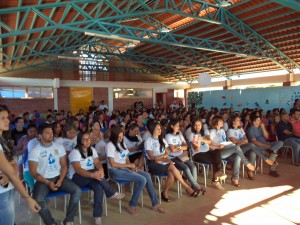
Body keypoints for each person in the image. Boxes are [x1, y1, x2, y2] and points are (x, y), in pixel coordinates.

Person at [29, 123, 81, 225]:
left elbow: (64, 166)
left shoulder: (59, 147)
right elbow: (33, 172)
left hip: (58, 177)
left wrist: (61, 179)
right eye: (47, 133)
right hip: (43, 180)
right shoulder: (35, 151)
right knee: (38, 201)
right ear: (39, 136)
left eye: (51, 132)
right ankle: (51, 223)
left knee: (77, 191)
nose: (51, 135)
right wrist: (47, 182)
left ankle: (68, 220)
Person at [106, 125, 165, 215]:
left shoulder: (122, 143)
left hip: (125, 168)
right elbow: (112, 164)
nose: (121, 139)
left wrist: (131, 167)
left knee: (147, 175)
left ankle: (155, 204)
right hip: (115, 171)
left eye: (122, 136)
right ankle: (132, 205)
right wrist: (128, 165)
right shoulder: (110, 145)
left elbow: (126, 158)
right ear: (114, 136)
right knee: (142, 179)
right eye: (119, 137)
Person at [69, 132, 125, 225]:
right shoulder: (75, 152)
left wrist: (101, 170)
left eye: (89, 139)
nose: (88, 141)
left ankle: (97, 216)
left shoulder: (92, 149)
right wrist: (93, 174)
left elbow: (97, 162)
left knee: (99, 187)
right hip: (77, 178)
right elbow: (78, 169)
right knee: (94, 173)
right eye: (85, 140)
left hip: (91, 177)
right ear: (80, 141)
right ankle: (111, 193)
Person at [0, 105, 40, 225]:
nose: (7, 120)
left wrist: (8, 174)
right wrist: (27, 198)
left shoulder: (3, 139)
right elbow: (12, 172)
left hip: (8, 188)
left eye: (7, 117)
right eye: (2, 118)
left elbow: (13, 162)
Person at [145, 121, 201, 202]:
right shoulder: (148, 141)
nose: (160, 130)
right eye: (158, 129)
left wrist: (161, 157)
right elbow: (151, 157)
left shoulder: (162, 140)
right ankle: (187, 188)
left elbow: (167, 153)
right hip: (153, 164)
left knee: (171, 174)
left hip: (163, 161)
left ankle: (165, 192)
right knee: (171, 166)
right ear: (152, 130)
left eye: (160, 128)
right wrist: (162, 157)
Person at [210, 116, 258, 187]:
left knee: (238, 156)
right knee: (236, 147)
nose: (222, 122)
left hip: (225, 149)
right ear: (216, 122)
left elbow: (224, 141)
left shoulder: (222, 131)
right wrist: (218, 146)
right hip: (217, 152)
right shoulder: (212, 131)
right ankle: (248, 164)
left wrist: (226, 144)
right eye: (220, 121)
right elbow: (210, 145)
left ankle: (235, 178)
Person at [227, 115, 277, 182]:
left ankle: (250, 171)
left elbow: (246, 140)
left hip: (243, 148)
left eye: (240, 120)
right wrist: (242, 141)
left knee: (252, 152)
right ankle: (266, 159)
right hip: (235, 149)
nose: (240, 121)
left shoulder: (240, 129)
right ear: (233, 122)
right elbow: (234, 141)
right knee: (251, 144)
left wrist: (241, 141)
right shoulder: (230, 130)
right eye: (238, 120)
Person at [188, 119, 227, 190]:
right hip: (198, 154)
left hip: (207, 151)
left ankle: (216, 175)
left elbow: (209, 141)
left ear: (201, 126)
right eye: (195, 125)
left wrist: (201, 139)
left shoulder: (205, 132)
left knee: (217, 152)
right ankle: (216, 178)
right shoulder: (192, 135)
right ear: (193, 126)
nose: (197, 127)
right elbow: (196, 149)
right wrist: (198, 143)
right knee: (215, 160)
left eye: (199, 125)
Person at [165, 119, 201, 192]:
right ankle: (197, 186)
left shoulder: (180, 134)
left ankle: (194, 186)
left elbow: (186, 146)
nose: (179, 127)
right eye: (177, 126)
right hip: (173, 157)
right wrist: (180, 147)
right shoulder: (168, 136)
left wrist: (179, 147)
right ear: (172, 126)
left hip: (181, 155)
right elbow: (172, 150)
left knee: (193, 167)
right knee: (186, 168)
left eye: (179, 126)